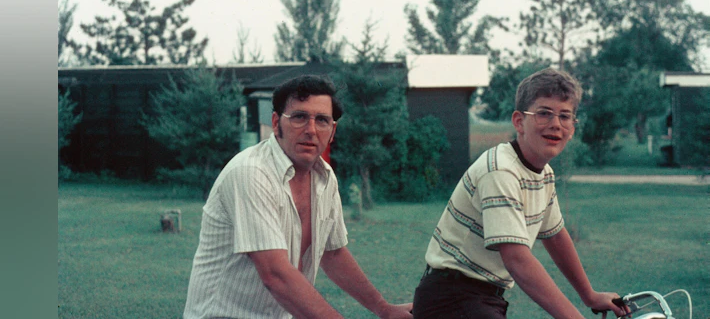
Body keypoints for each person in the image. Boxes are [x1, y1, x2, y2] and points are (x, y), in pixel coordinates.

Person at [184, 75, 412, 319]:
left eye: (322, 120)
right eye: (299, 117)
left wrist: (383, 309)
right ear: (275, 123)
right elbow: (275, 273)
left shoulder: (325, 178)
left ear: (332, 131)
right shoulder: (250, 173)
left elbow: (332, 253)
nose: (311, 130)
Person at [411, 68, 631, 319]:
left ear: (573, 127)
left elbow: (556, 236)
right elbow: (517, 260)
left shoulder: (543, 173)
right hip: (452, 297)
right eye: (544, 113)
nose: (555, 124)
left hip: (482, 298)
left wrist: (589, 295)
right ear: (519, 121)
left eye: (565, 116)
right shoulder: (501, 170)